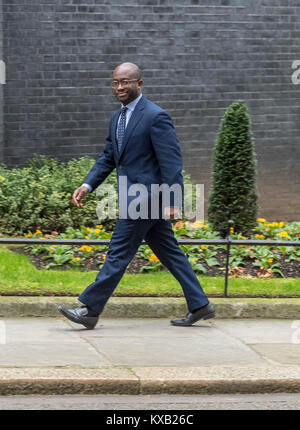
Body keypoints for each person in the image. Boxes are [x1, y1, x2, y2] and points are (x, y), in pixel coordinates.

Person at [58, 62, 215, 329]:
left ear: (139, 84)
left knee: (118, 253)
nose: (119, 87)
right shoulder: (116, 118)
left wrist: (173, 202)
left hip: (147, 199)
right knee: (170, 253)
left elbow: (171, 163)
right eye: (116, 82)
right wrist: (87, 185)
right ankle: (200, 304)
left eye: (125, 82)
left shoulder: (156, 116)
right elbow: (109, 157)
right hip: (133, 198)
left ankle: (90, 310)